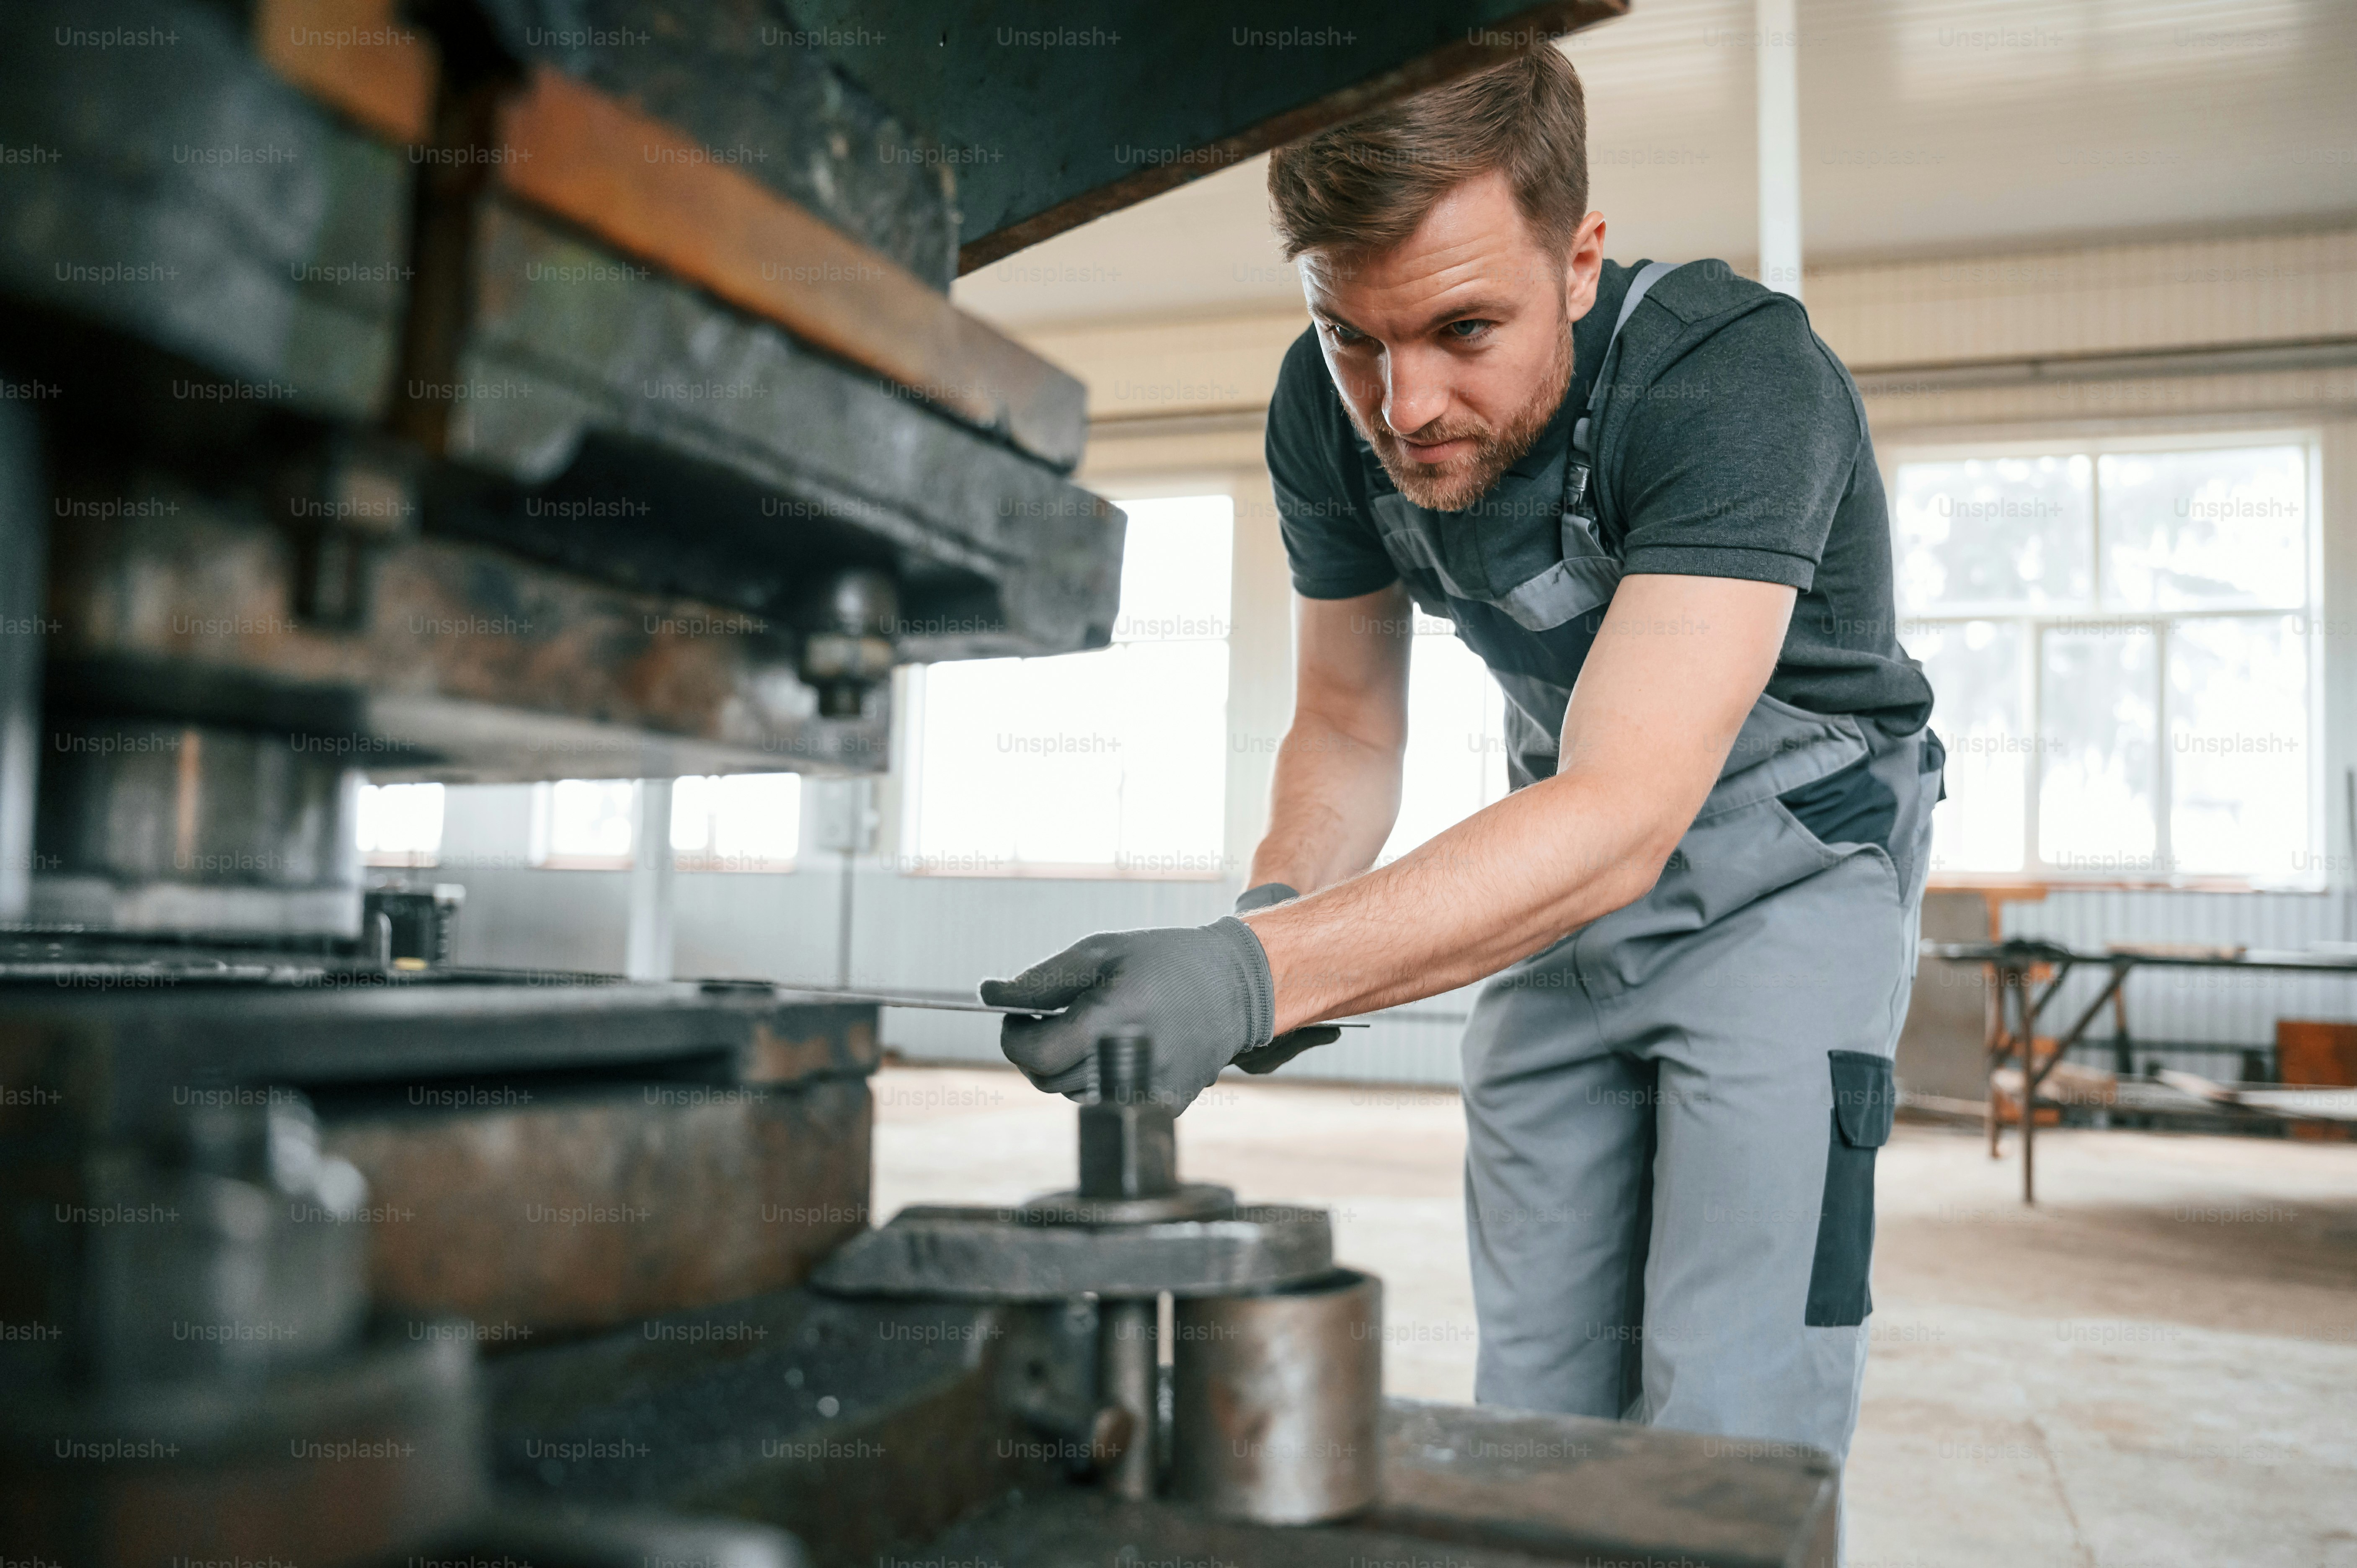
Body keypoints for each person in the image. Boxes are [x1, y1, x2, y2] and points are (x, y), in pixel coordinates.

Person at [982, 47, 1941, 1478]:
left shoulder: (1733, 378)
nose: (1405, 402)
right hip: (1554, 884)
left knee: (1729, 1410)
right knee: (1534, 1402)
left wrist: (1264, 980)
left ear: (1578, 261)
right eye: (1351, 335)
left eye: (1461, 332)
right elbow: (1351, 723)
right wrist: (1271, 917)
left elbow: (1625, 808)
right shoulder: (1325, 411)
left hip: (1784, 887)